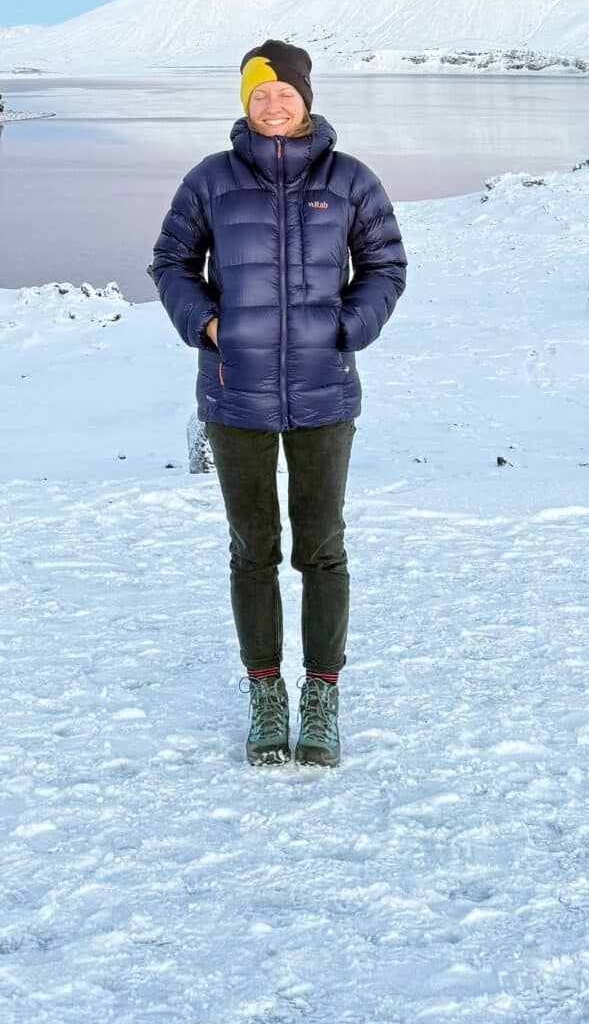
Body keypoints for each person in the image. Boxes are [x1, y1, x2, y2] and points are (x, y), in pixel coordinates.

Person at [150, 38, 406, 767]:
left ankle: (321, 694)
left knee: (321, 549)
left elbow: (385, 264)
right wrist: (206, 322)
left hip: (325, 395)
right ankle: (267, 694)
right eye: (258, 94)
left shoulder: (350, 180)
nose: (271, 104)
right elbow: (170, 260)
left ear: (306, 98)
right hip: (236, 396)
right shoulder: (210, 181)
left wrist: (346, 327)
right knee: (252, 552)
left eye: (283, 92)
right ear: (244, 103)